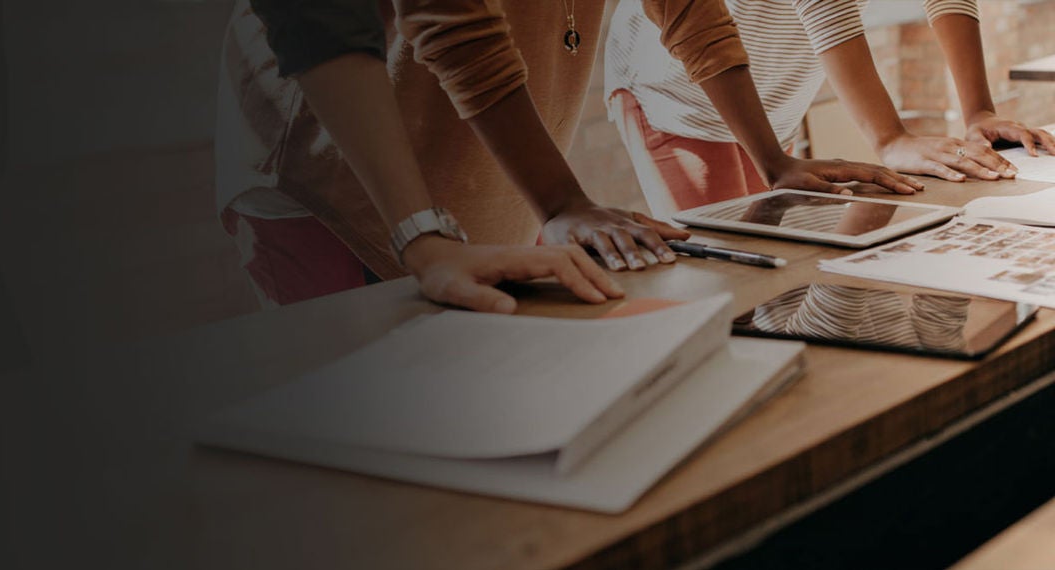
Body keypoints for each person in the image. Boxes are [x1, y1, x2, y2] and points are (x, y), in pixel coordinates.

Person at [216, 0, 918, 310]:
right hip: (331, 168)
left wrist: (773, 159)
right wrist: (557, 201)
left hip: (476, 171)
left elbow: (690, 9)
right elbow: (451, 16)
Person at [242, 0, 625, 313]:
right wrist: (422, 238)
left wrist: (559, 201)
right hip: (336, 178)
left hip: (490, 173)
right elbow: (447, 14)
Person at [605, 0, 1055, 218]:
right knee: (731, 280)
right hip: (681, 89)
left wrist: (978, 111)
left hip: (775, 82)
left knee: (784, 262)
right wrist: (890, 138)